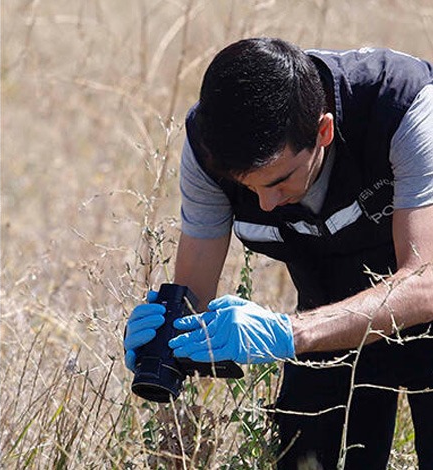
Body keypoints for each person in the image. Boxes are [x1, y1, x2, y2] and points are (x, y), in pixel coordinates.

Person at [123, 38, 433, 469]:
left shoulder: (402, 104)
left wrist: (290, 333)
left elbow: (426, 282)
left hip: (417, 304)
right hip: (327, 314)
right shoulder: (207, 148)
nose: (265, 205)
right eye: (248, 188)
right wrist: (168, 338)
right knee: (302, 458)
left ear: (323, 131)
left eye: (279, 181)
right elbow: (194, 293)